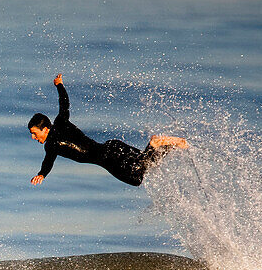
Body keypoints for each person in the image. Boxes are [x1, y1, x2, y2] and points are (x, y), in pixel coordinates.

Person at [29, 73, 188, 187]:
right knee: (140, 172)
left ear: (45, 128)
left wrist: (42, 174)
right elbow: (64, 104)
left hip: (109, 157)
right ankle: (170, 145)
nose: (34, 138)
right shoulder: (61, 122)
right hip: (111, 148)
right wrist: (60, 85)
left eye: (35, 133)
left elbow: (48, 161)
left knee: (139, 173)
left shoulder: (50, 144)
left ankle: (156, 143)